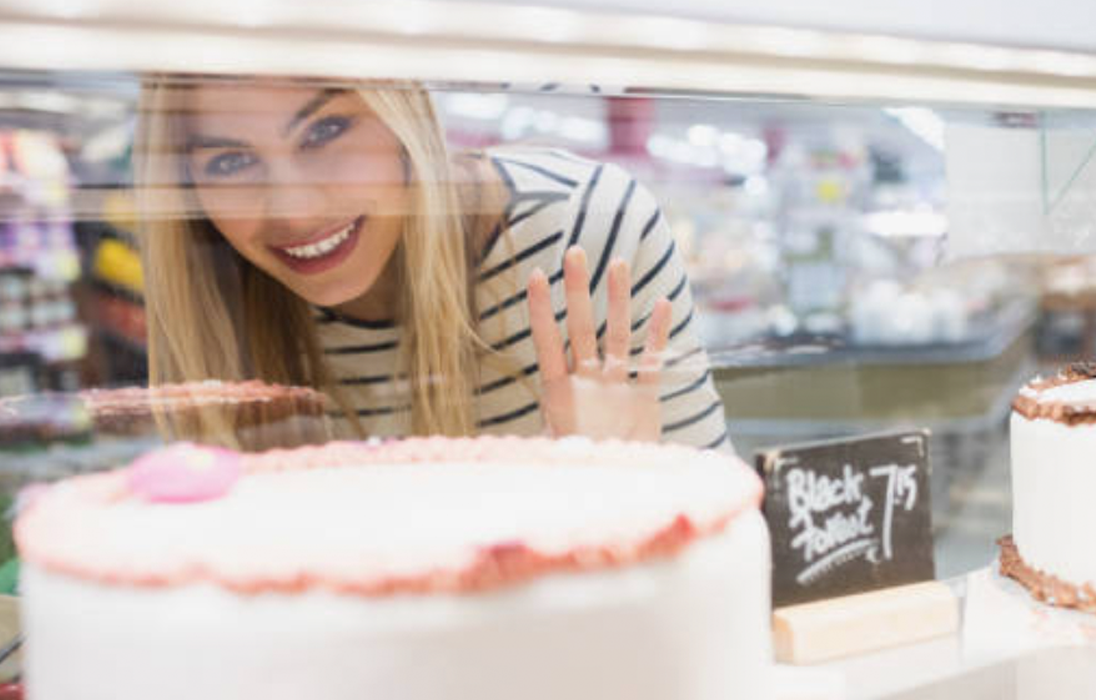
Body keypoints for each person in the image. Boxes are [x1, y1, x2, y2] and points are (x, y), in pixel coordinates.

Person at [133, 77, 730, 451]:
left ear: (403, 114)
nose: (294, 209)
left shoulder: (585, 229)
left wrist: (633, 491)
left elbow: (726, 568)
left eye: (326, 130)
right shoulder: (215, 296)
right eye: (230, 164)